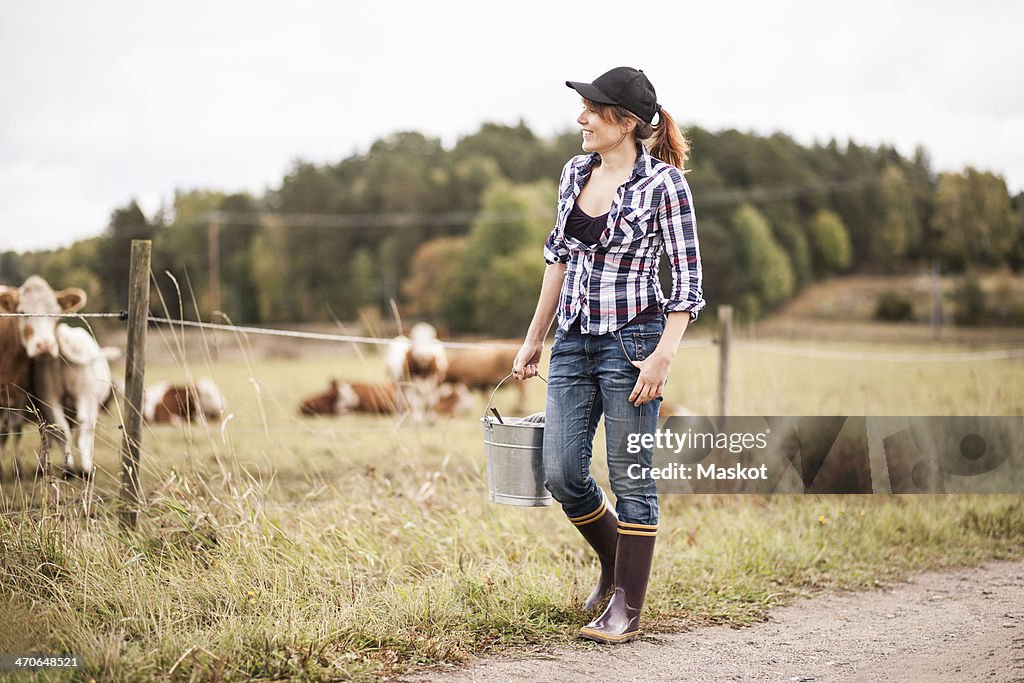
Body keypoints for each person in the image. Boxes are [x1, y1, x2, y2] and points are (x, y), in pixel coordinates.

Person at [512, 66, 705, 644]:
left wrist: (663, 356)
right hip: (572, 342)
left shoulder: (664, 187)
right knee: (562, 472)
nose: (581, 118)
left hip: (634, 346)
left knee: (632, 481)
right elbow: (557, 260)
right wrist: (534, 338)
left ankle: (625, 605)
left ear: (624, 123)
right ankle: (619, 562)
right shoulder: (575, 172)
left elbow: (688, 283)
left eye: (593, 110)